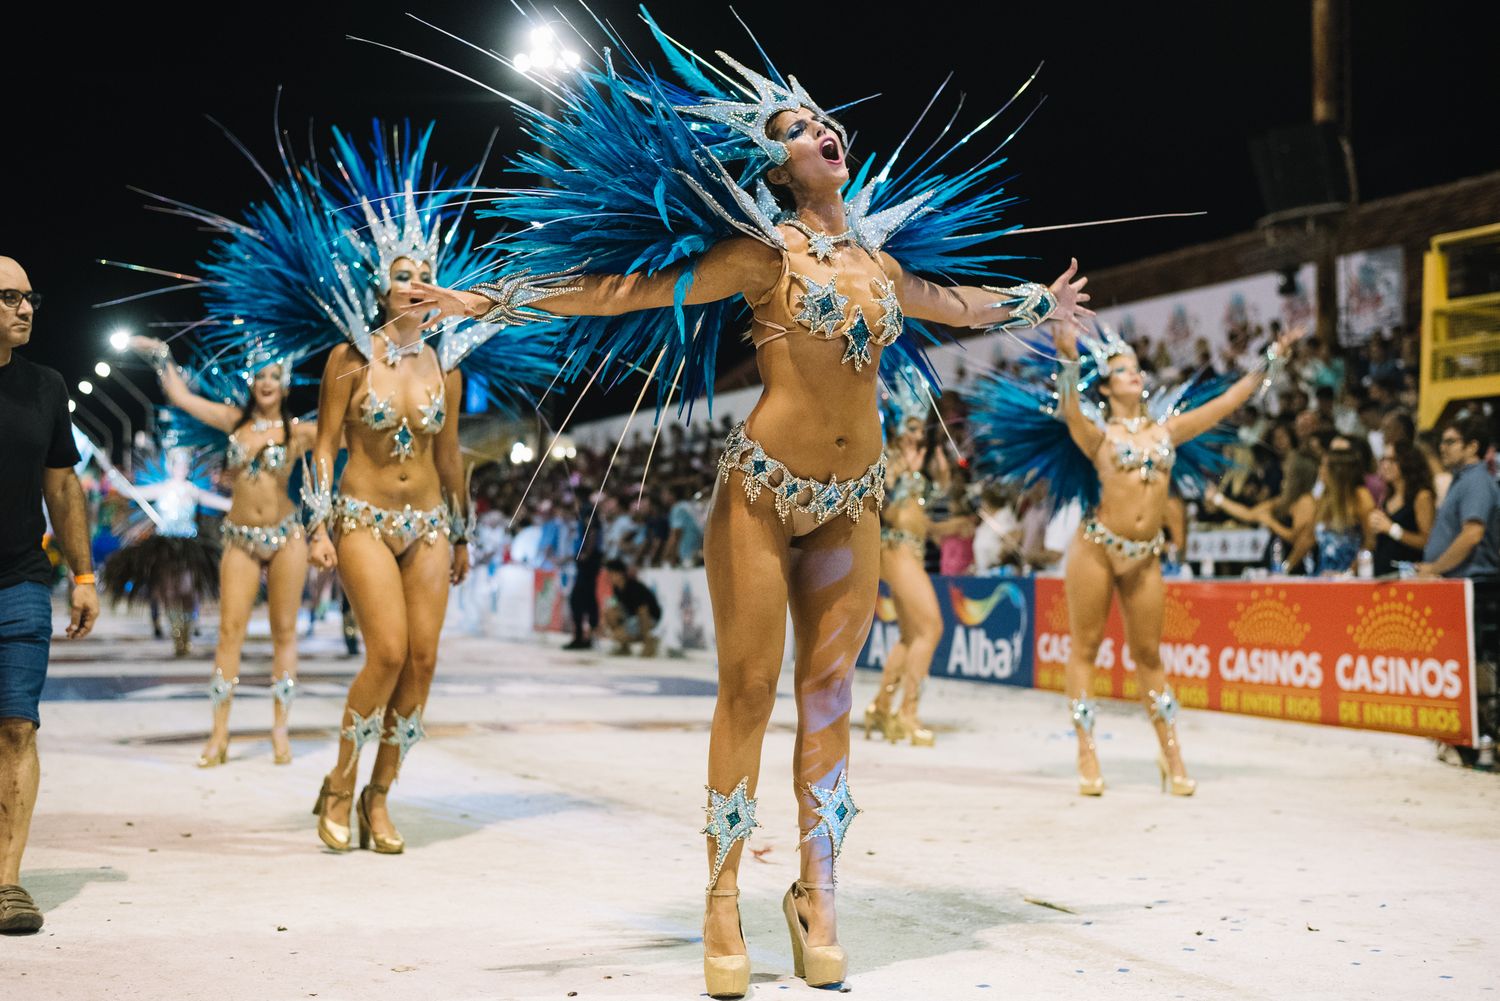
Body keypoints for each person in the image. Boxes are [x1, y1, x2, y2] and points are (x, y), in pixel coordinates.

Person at [411, 26, 1093, 993]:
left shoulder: (880, 267)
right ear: (775, 166)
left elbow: (953, 304)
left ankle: (818, 890)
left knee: (831, 698)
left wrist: (1036, 305)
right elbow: (620, 294)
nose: (822, 130)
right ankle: (723, 894)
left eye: (823, 120)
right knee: (749, 691)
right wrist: (487, 298)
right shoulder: (761, 256)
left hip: (854, 503)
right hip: (762, 497)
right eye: (797, 126)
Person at [968, 319, 1304, 797]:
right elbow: (1068, 407)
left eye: (1138, 369)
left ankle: (1171, 753)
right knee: (1085, 650)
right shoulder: (1099, 437)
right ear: (1106, 386)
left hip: (1144, 556)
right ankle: (1086, 750)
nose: (1136, 375)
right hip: (1098, 551)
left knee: (1149, 656)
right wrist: (1066, 353)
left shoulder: (1167, 433)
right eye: (1123, 370)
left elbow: (1227, 403)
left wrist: (1271, 359)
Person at [129, 336, 315, 766]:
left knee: (284, 633)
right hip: (241, 538)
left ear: (285, 385)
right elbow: (180, 396)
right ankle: (219, 734)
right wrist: (162, 356)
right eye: (260, 376)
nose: (267, 383)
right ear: (251, 383)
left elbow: (347, 433)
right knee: (229, 632)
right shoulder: (234, 422)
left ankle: (280, 729)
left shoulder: (301, 432)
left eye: (275, 376)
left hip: (288, 537)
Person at [0, 257, 97, 934]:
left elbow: (62, 486)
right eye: (9, 297)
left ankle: (6, 881)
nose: (25, 308)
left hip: (21, 579)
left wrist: (84, 575)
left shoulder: (45, 386)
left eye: (30, 296)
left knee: (17, 725)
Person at [100, 445, 228, 655]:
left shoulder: (192, 490)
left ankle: (186, 631)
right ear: (171, 467)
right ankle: (176, 632)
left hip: (190, 546)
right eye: (178, 464)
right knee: (168, 590)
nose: (182, 468)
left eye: (185, 465)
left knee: (188, 589)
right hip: (165, 546)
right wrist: (110, 470)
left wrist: (244, 501)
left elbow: (220, 502)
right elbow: (130, 492)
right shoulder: (162, 488)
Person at [865, 416, 943, 747]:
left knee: (911, 636)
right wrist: (908, 470)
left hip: (910, 549)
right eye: (910, 430)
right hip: (894, 547)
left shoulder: (920, 464)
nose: (917, 437)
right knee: (931, 628)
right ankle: (908, 713)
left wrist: (951, 526)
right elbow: (890, 510)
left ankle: (881, 707)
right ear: (898, 432)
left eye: (920, 430)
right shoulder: (889, 460)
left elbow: (921, 518)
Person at [1417, 416, 1500, 579]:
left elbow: (1472, 534)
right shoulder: (1462, 480)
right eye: (1442, 442)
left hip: (1472, 585)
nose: (1442, 448)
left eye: (1450, 442)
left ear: (1472, 447)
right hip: (1457, 582)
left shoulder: (1477, 481)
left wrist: (1435, 568)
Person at [1369, 441, 1436, 575]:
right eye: (1383, 459)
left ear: (1408, 462)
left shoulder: (1422, 496)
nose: (1385, 465)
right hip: (1382, 573)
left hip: (1407, 575)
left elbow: (1427, 541)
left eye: (1392, 460)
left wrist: (1392, 529)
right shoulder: (1387, 496)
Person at [1310, 449, 1375, 575]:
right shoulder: (1325, 497)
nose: (1320, 470)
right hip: (1321, 576)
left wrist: (1350, 572)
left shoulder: (1360, 496)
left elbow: (1370, 543)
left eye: (1324, 466)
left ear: (1338, 470)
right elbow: (1310, 537)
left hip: (1350, 578)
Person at [601, 558, 661, 656]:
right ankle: (624, 647)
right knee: (610, 613)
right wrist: (605, 617)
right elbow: (613, 604)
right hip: (633, 617)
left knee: (618, 635)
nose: (608, 577)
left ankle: (650, 641)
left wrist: (647, 641)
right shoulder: (617, 588)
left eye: (610, 574)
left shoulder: (634, 588)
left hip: (650, 617)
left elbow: (644, 612)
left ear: (619, 574)